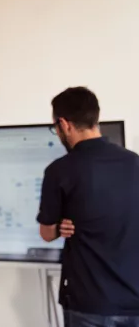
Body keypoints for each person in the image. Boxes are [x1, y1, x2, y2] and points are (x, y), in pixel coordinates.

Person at [37, 86, 139, 327]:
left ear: (64, 123)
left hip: (88, 303)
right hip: (135, 298)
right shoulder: (135, 163)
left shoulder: (59, 170)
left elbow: (47, 233)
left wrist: (60, 226)